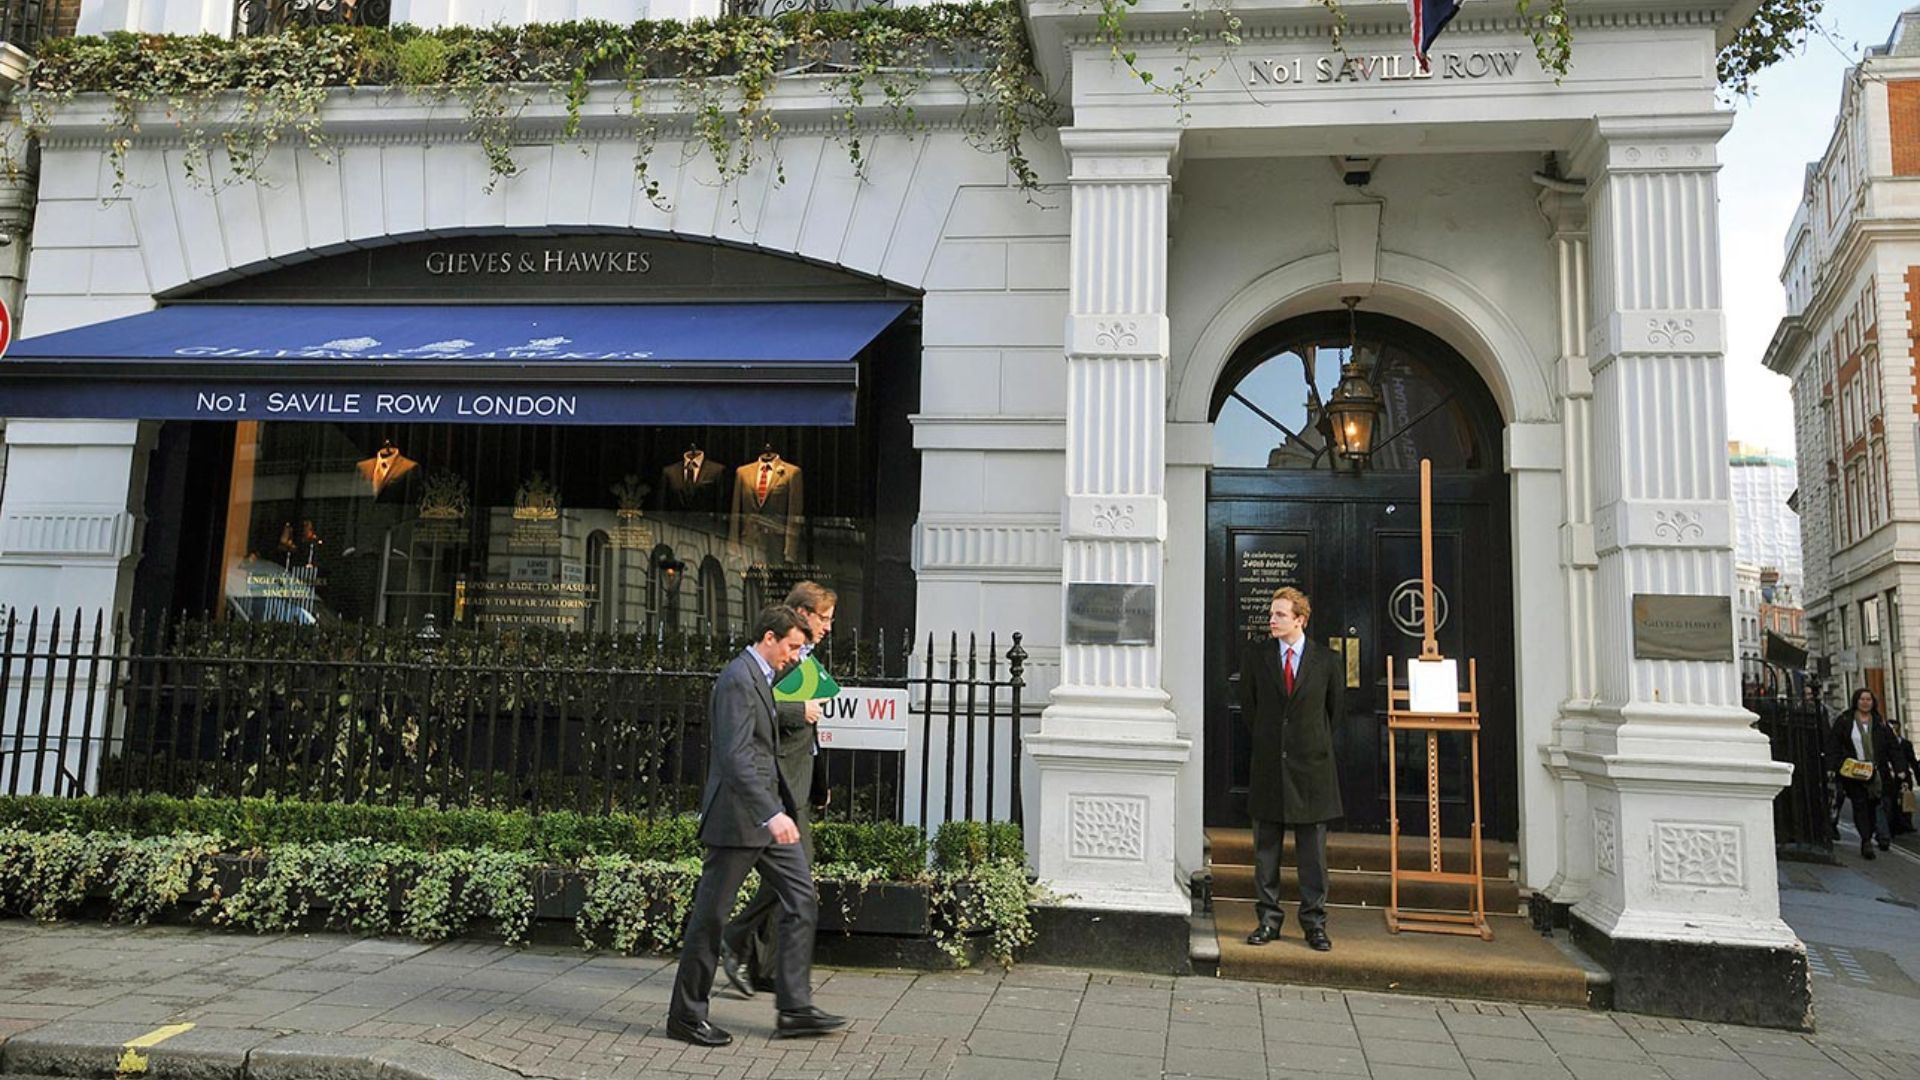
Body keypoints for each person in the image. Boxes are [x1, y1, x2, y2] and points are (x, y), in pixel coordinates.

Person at [666, 605, 846, 1046]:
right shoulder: (737, 679)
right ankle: (686, 1016)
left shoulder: (759, 676)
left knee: (801, 898)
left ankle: (795, 1009)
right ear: (769, 637)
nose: (794, 657)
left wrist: (780, 808)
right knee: (710, 919)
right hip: (737, 820)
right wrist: (773, 812)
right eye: (791, 647)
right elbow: (735, 757)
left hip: (766, 818)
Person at [721, 581, 836, 997]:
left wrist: (819, 783)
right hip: (775, 781)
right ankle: (736, 939)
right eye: (823, 618)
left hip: (798, 781)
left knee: (790, 876)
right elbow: (757, 704)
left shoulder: (804, 657)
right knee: (795, 876)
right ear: (802, 614)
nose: (827, 627)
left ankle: (763, 967)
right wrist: (797, 710)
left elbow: (813, 732)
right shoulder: (774, 655)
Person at [1238, 586, 1343, 952]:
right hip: (1269, 766)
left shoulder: (1327, 661)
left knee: (1312, 855)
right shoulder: (1257, 657)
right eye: (1272, 613)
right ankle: (1268, 921)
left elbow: (1333, 713)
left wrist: (1306, 743)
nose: (1272, 619)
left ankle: (1314, 924)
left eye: (1280, 614)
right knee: (1265, 850)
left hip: (1312, 769)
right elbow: (1249, 708)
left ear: (1300, 619)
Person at [1830, 688, 1895, 859]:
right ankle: (1866, 840)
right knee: (1860, 805)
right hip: (1854, 771)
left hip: (1875, 773)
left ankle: (1872, 832)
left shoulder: (1880, 723)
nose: (1865, 702)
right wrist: (1835, 765)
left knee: (1873, 805)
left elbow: (1892, 747)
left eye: (1869, 699)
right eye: (1862, 699)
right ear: (1856, 701)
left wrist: (1901, 768)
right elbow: (1834, 744)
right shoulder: (1845, 720)